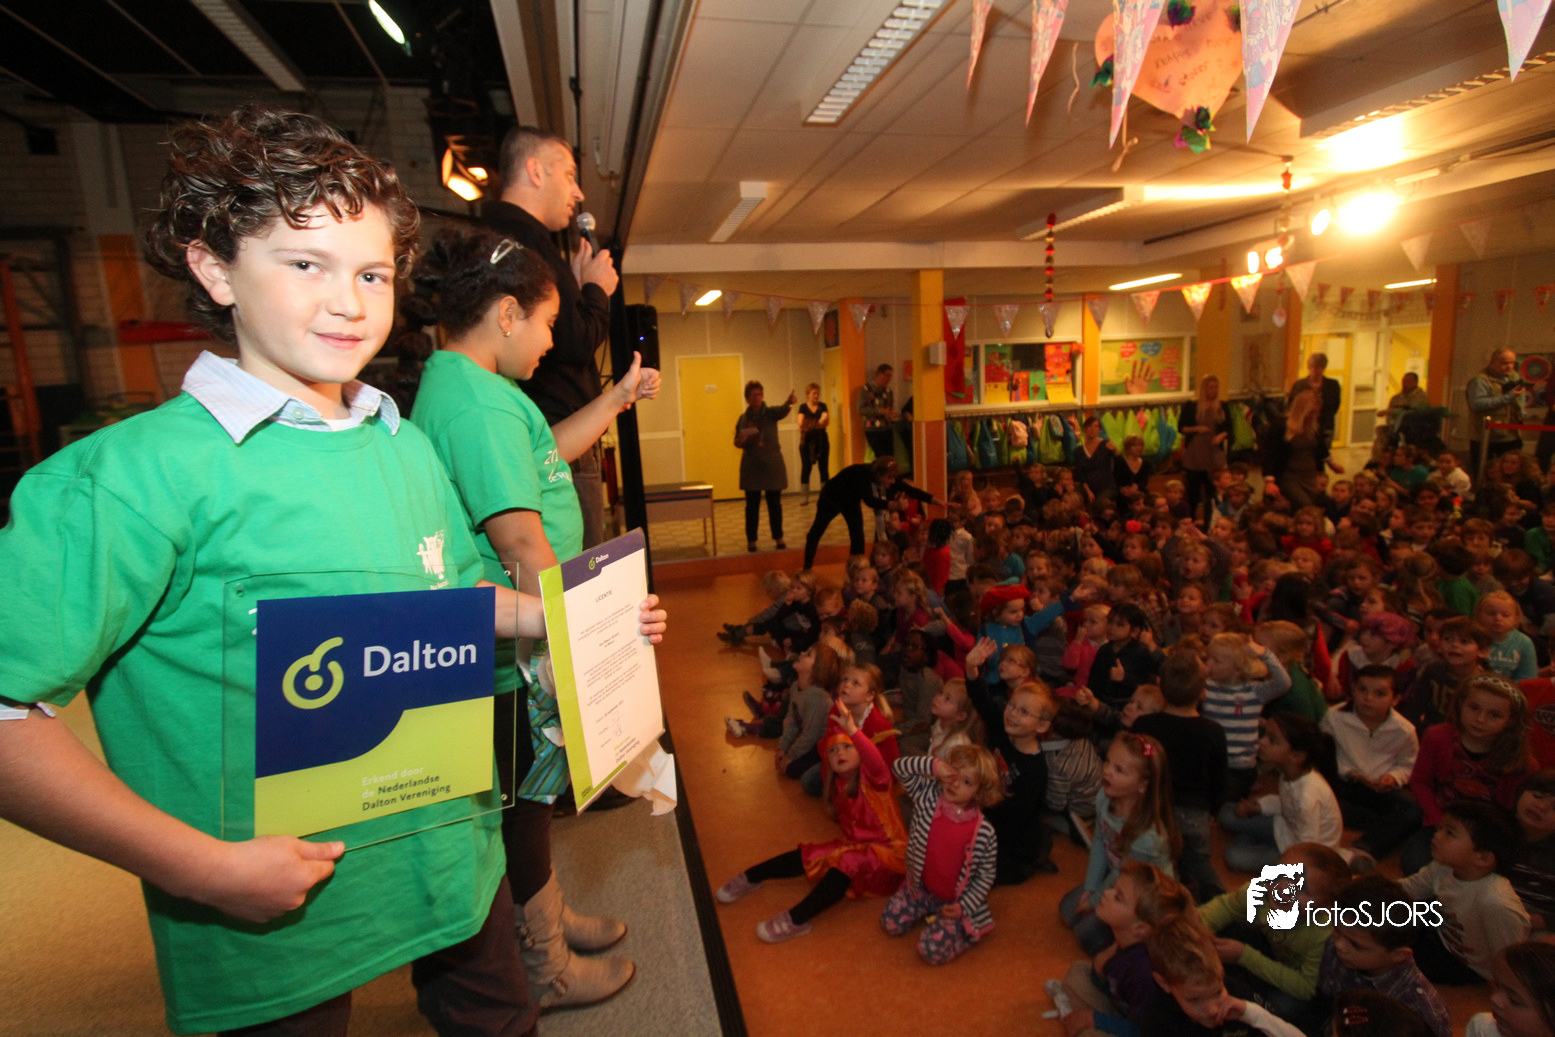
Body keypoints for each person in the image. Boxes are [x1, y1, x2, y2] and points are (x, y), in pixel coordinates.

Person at [0, 104, 668, 1037]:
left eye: (370, 273)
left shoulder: (402, 447)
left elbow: (446, 602)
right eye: (304, 264)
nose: (348, 302)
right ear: (215, 269)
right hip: (272, 916)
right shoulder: (127, 479)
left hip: (451, 865)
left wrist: (572, 616)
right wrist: (199, 867)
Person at [399, 225, 663, 1009]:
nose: (552, 341)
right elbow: (518, 538)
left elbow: (541, 455)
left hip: (519, 637)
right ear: (507, 313)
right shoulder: (476, 404)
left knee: (530, 800)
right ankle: (542, 962)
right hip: (509, 647)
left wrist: (614, 399)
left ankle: (542, 918)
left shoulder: (471, 388)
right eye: (547, 322)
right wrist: (583, 635)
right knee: (521, 804)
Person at [485, 126, 620, 548]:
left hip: (549, 435)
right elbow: (573, 342)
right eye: (570, 175)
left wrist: (579, 290)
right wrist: (596, 290)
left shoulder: (504, 236)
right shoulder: (525, 243)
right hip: (560, 440)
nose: (579, 193)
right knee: (579, 570)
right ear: (535, 171)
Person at [715, 709, 906, 943]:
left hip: (890, 858)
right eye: (833, 750)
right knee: (813, 853)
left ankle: (797, 920)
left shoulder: (875, 779)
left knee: (848, 861)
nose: (840, 753)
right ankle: (752, 876)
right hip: (858, 846)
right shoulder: (837, 786)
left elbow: (875, 759)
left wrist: (853, 731)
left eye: (848, 747)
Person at [1060, 732, 1180, 956]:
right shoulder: (1104, 798)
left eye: (1119, 770)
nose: (1107, 771)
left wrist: (1094, 902)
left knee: (1086, 935)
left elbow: (1121, 873)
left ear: (1143, 785)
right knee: (1068, 911)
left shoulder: (1148, 836)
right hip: (1118, 879)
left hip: (1142, 894)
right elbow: (1099, 842)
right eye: (1107, 762)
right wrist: (1090, 889)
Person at [880, 746, 1002, 964]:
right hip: (920, 889)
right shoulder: (927, 797)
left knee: (930, 951)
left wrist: (962, 907)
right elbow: (898, 768)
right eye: (953, 773)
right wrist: (934, 767)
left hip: (954, 904)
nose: (955, 783)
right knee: (889, 923)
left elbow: (985, 877)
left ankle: (966, 934)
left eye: (967, 782)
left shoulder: (984, 832)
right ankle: (925, 908)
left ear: (979, 793)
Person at [1217, 712, 1343, 873]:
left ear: (1296, 756)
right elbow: (1286, 802)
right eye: (1265, 736)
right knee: (1226, 812)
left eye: (1272, 741)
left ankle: (1252, 836)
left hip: (1303, 852)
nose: (1262, 742)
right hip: (1285, 827)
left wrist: (1289, 863)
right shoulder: (1289, 771)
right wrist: (1257, 807)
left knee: (1235, 857)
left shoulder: (1308, 796)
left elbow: (1308, 846)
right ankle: (1252, 836)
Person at [801, 456, 941, 571]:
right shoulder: (862, 474)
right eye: (889, 478)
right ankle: (807, 568)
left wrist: (935, 500)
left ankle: (857, 570)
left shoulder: (883, 475)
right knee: (816, 532)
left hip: (851, 500)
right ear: (879, 475)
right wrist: (894, 504)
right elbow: (870, 501)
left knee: (857, 535)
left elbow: (909, 489)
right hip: (831, 498)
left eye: (893, 478)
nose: (892, 481)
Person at [734, 380, 795, 552]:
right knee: (752, 506)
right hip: (752, 466)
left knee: (775, 505)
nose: (756, 398)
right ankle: (751, 541)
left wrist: (790, 402)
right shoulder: (743, 419)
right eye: (753, 395)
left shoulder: (770, 413)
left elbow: (783, 410)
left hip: (772, 466)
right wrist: (741, 440)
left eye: (759, 394)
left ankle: (779, 538)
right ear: (747, 398)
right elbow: (737, 442)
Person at [1467, 349, 1532, 480]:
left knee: (1512, 474)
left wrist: (1522, 408)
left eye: (1512, 363)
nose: (1509, 367)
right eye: (1504, 363)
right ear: (1492, 362)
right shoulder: (1480, 381)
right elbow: (1477, 404)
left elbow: (1519, 398)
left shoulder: (1514, 377)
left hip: (1511, 434)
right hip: (1487, 436)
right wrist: (1508, 397)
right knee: (1485, 474)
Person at [1180, 375, 1230, 530]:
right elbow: (1182, 427)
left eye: (1216, 387)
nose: (1213, 390)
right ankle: (1191, 521)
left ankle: (1212, 521)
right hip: (1195, 451)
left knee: (1212, 490)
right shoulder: (1191, 406)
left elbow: (1229, 428)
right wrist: (1197, 429)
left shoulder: (1222, 406)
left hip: (1213, 451)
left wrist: (1221, 436)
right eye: (1210, 387)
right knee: (1193, 491)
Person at [1268, 389, 1327, 508]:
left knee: (1305, 507)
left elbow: (1319, 449)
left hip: (1309, 475)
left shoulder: (1314, 428)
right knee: (1305, 505)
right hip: (1289, 476)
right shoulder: (1281, 426)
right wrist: (1269, 480)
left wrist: (1330, 463)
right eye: (1311, 412)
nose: (1313, 415)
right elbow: (1270, 454)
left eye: (1315, 413)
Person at [1289, 352, 1342, 470]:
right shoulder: (1299, 385)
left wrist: (1318, 417)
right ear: (1308, 367)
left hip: (1325, 425)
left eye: (1319, 367)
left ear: (1324, 368)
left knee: (1320, 456)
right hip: (1302, 426)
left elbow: (1334, 405)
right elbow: (1292, 406)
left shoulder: (1332, 385)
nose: (1315, 371)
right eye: (1313, 367)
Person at [797, 382, 830, 504]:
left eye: (818, 393)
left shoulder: (823, 406)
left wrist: (811, 424)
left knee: (823, 468)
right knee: (806, 468)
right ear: (808, 394)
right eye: (814, 393)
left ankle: (825, 495)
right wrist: (818, 422)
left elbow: (826, 423)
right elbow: (801, 424)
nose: (816, 396)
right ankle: (804, 496)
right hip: (806, 442)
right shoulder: (803, 407)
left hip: (822, 441)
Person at [858, 363, 897, 460]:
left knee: (890, 456)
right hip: (873, 428)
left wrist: (891, 414)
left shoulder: (888, 391)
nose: (889, 378)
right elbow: (860, 409)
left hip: (887, 427)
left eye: (891, 376)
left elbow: (890, 407)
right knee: (880, 456)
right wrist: (879, 411)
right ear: (879, 374)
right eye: (887, 375)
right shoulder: (865, 390)